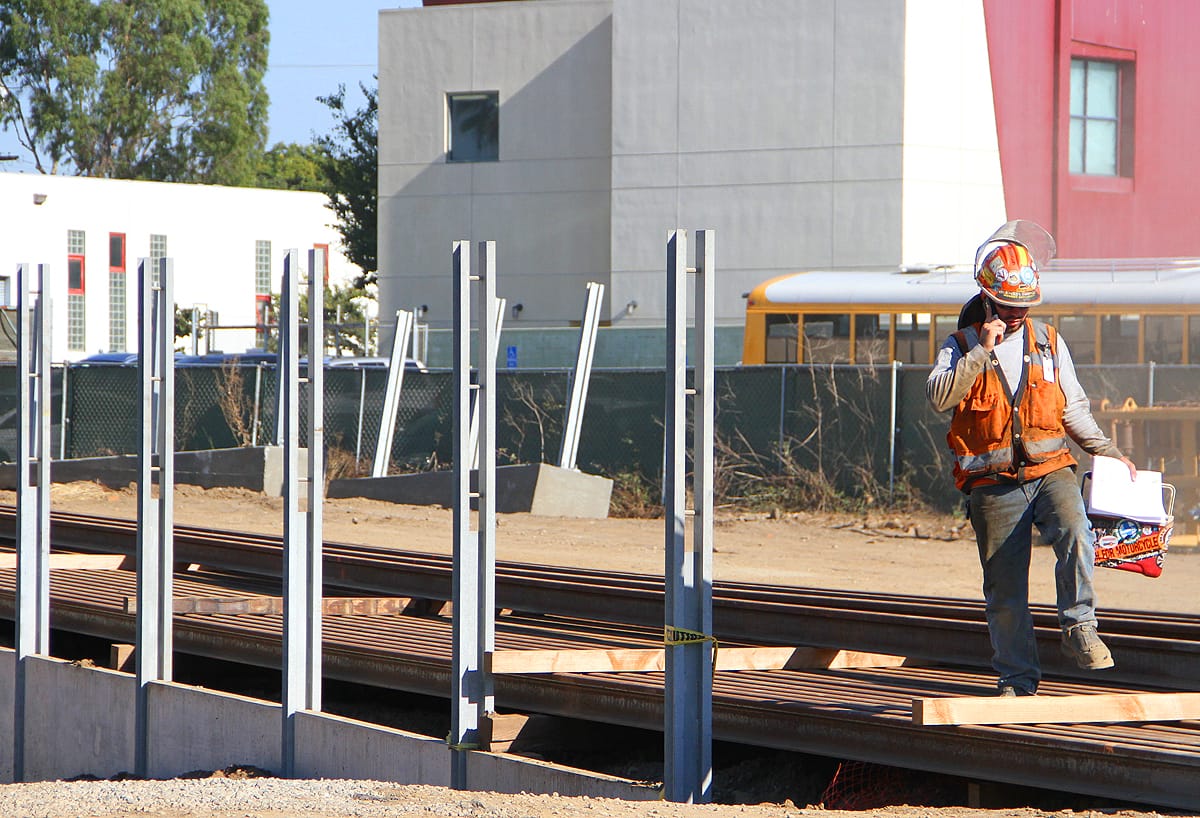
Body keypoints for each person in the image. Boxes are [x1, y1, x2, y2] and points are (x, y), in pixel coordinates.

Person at [926, 220, 1137, 697]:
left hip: (1050, 471)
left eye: (1024, 306)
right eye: (1007, 306)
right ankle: (1017, 682)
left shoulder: (1048, 341)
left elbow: (1073, 406)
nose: (1017, 314)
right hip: (993, 486)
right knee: (1005, 593)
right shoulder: (959, 345)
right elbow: (940, 396)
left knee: (1076, 531)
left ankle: (1080, 625)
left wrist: (1108, 452)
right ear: (986, 298)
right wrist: (982, 351)